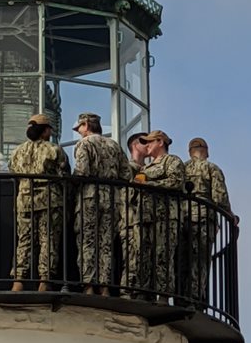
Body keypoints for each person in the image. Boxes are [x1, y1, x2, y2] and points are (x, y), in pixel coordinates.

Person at [73, 112, 132, 295]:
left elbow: (82, 171)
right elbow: (127, 175)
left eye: (80, 127)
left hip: (90, 197)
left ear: (86, 125)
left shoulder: (85, 144)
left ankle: (89, 285)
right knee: (106, 242)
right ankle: (105, 286)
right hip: (112, 198)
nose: (79, 131)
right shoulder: (114, 145)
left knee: (88, 241)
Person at [9, 114, 70, 291]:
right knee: (48, 240)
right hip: (49, 200)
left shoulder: (17, 151)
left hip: (25, 200)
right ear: (44, 131)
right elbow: (64, 173)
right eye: (49, 128)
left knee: (24, 241)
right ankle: (45, 280)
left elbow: (12, 171)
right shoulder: (54, 150)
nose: (50, 131)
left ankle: (18, 281)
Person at [181, 137, 238, 306]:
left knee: (184, 258)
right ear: (206, 151)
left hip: (184, 217)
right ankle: (197, 297)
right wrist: (230, 214)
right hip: (204, 218)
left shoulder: (182, 168)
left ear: (190, 152)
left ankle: (180, 296)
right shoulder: (212, 168)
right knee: (200, 260)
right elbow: (220, 197)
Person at [136, 130, 185, 303]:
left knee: (163, 254)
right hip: (146, 216)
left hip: (165, 215)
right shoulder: (145, 167)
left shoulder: (172, 161)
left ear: (160, 142)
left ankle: (163, 295)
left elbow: (176, 182)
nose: (146, 146)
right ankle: (144, 291)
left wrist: (149, 184)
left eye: (149, 142)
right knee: (144, 254)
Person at [121, 132, 151, 297]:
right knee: (132, 257)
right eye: (144, 142)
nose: (148, 145)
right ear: (134, 145)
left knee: (145, 258)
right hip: (131, 219)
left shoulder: (149, 170)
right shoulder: (128, 168)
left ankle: (143, 292)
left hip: (145, 219)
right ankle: (128, 291)